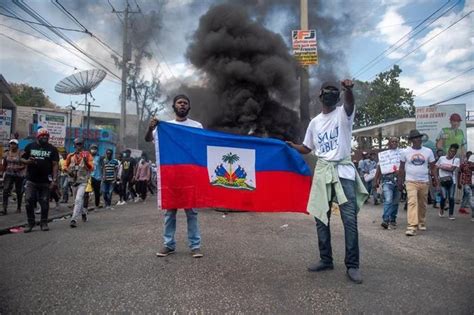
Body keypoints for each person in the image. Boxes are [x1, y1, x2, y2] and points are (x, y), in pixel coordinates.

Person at [286, 80, 368, 284]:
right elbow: (307, 147)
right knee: (321, 219)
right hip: (323, 171)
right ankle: (326, 259)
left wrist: (348, 90)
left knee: (349, 220)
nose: (331, 95)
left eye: (335, 92)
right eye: (327, 92)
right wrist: (292, 146)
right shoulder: (314, 122)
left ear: (338, 96)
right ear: (320, 96)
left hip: (343, 171)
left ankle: (353, 265)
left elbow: (349, 103)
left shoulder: (343, 113)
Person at [145, 94, 204, 259]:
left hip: (190, 176)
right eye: (179, 103)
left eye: (185, 103)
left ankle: (195, 246)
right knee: (170, 212)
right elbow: (149, 139)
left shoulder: (197, 126)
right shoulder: (165, 127)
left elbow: (203, 146)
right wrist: (150, 127)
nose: (183, 105)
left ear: (189, 107)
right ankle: (168, 245)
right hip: (171, 177)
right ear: (174, 106)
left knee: (191, 213)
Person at [398, 129, 438, 236]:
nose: (419, 139)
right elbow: (401, 168)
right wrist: (400, 182)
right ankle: (412, 226)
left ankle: (421, 221)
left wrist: (436, 181)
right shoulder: (405, 152)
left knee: (422, 204)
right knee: (412, 202)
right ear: (411, 140)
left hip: (424, 181)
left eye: (420, 137)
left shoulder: (428, 151)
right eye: (416, 138)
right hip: (410, 181)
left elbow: (433, 168)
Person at [21, 128, 59, 232]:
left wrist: (54, 180)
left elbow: (55, 165)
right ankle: (30, 222)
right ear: (38, 137)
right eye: (43, 136)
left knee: (45, 202)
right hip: (31, 180)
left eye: (47, 136)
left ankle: (44, 222)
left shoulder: (52, 149)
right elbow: (21, 158)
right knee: (28, 200)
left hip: (45, 181)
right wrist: (28, 161)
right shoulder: (30, 146)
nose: (45, 137)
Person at [64, 138, 94, 228]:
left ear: (83, 145)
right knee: (77, 201)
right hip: (73, 182)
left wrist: (85, 161)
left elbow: (91, 168)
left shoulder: (87, 155)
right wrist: (68, 171)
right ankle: (83, 212)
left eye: (80, 144)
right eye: (77, 144)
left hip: (83, 181)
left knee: (78, 199)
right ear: (74, 145)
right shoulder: (70, 156)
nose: (79, 146)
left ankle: (73, 219)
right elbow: (65, 165)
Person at [374, 137, 401, 229]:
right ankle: (385, 220)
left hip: (399, 180)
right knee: (388, 200)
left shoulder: (401, 153)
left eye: (396, 141)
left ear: (398, 143)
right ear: (389, 143)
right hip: (387, 180)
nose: (394, 143)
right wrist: (376, 180)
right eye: (392, 141)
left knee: (396, 202)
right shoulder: (384, 155)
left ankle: (393, 219)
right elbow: (379, 168)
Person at [1, 139, 26, 215]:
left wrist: (18, 168)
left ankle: (18, 207)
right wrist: (2, 172)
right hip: (9, 174)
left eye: (14, 144)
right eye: (11, 144)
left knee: (19, 191)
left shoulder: (21, 153)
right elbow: (4, 164)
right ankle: (4, 208)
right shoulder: (6, 153)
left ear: (17, 145)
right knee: (5, 190)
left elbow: (25, 165)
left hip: (18, 175)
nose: (12, 145)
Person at [436, 143, 460, 220]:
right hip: (442, 181)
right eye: (451, 151)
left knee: (451, 198)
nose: (452, 153)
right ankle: (441, 209)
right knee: (443, 197)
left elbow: (452, 169)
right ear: (448, 150)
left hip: (452, 181)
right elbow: (436, 168)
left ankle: (451, 214)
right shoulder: (442, 158)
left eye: (454, 152)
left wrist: (441, 166)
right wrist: (437, 178)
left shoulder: (456, 160)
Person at [89, 144, 103, 208]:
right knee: (87, 191)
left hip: (97, 177)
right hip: (89, 176)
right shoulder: (88, 157)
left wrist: (103, 176)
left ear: (97, 150)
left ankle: (96, 205)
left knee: (97, 192)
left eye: (95, 149)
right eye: (92, 148)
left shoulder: (99, 157)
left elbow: (103, 166)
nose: (93, 150)